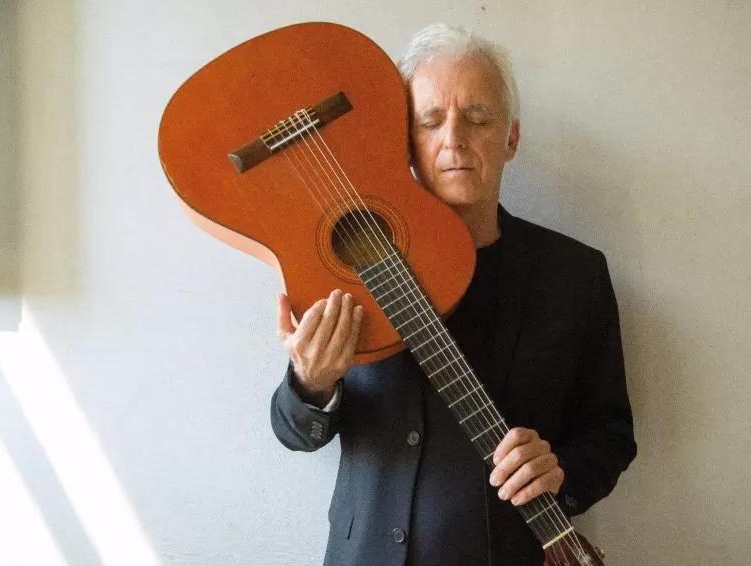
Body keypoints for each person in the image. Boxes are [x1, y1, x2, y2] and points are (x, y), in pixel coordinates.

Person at [271, 23, 636, 566]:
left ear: (511, 138)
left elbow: (611, 433)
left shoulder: (575, 275)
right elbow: (294, 432)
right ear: (404, 143)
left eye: (478, 118)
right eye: (430, 121)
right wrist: (310, 382)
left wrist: (561, 470)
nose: (454, 139)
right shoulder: (344, 264)